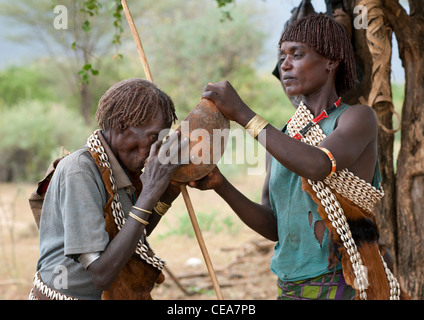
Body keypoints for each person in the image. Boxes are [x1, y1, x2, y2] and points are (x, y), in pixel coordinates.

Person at [193, 15, 405, 300]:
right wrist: (221, 185)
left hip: (344, 281)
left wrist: (243, 114)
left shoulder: (356, 118)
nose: (285, 64)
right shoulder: (284, 136)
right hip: (290, 287)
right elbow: (273, 226)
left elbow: (318, 164)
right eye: (282, 55)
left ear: (331, 61)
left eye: (297, 54)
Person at [30, 78, 186, 300]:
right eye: (153, 137)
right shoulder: (81, 170)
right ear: (122, 124)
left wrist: (167, 192)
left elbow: (127, 238)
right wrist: (150, 192)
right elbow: (101, 274)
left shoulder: (118, 170)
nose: (156, 149)